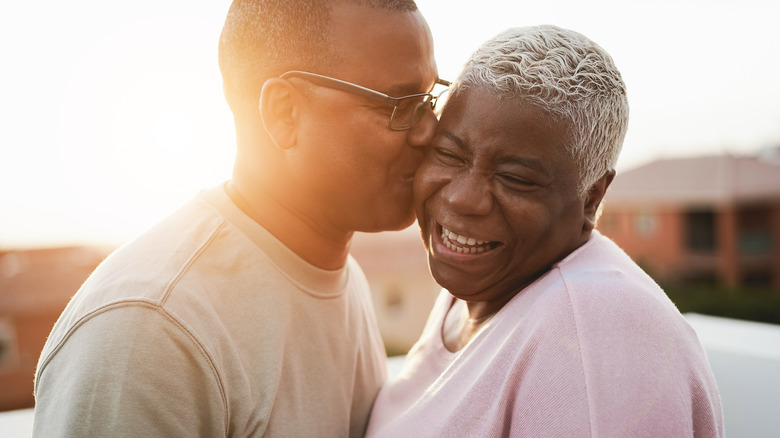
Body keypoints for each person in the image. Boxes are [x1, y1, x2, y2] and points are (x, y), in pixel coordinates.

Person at [33, 1, 447, 436]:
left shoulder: (342, 279)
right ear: (284, 111)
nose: (429, 131)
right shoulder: (150, 332)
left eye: (430, 98)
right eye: (400, 104)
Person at [366, 25, 724, 437]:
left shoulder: (598, 335)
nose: (464, 198)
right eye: (447, 153)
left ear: (591, 198)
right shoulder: (484, 283)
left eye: (515, 178)